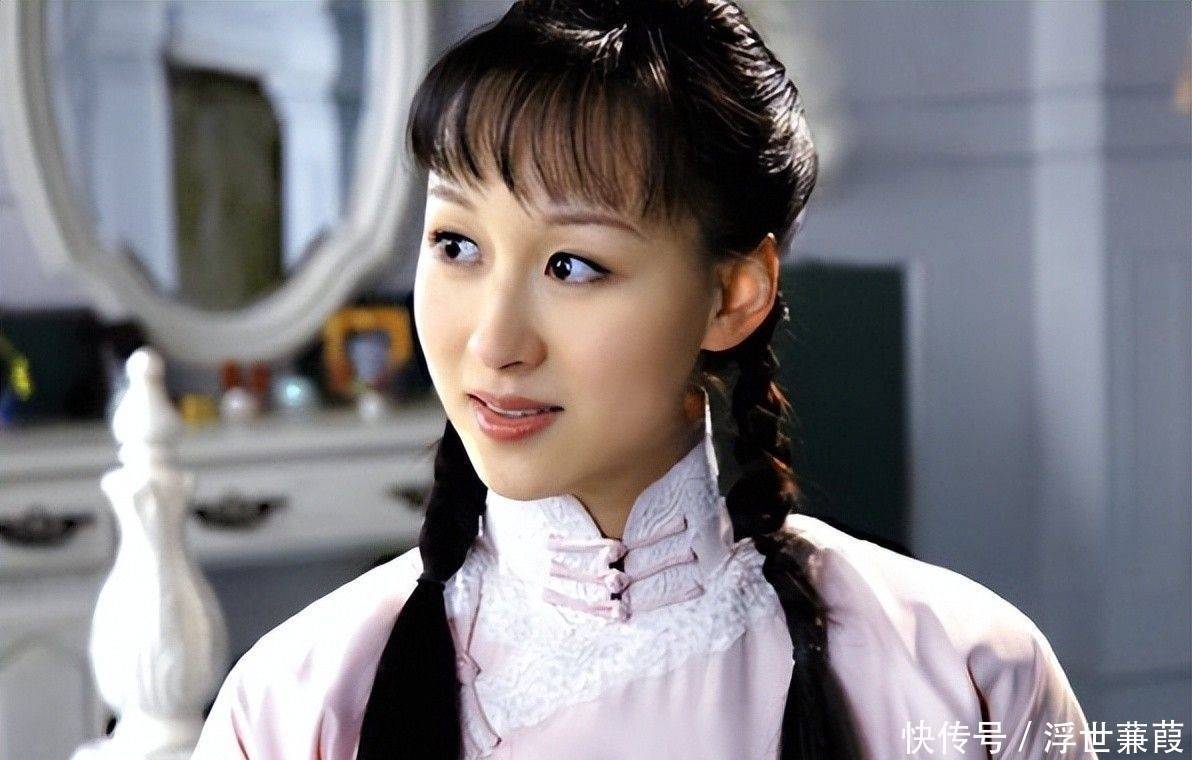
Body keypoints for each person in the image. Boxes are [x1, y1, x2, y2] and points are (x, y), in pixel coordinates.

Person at [193, 1, 1095, 758]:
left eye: (573, 266)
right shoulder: (297, 704)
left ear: (733, 295)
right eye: (456, 245)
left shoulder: (966, 678)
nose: (493, 342)